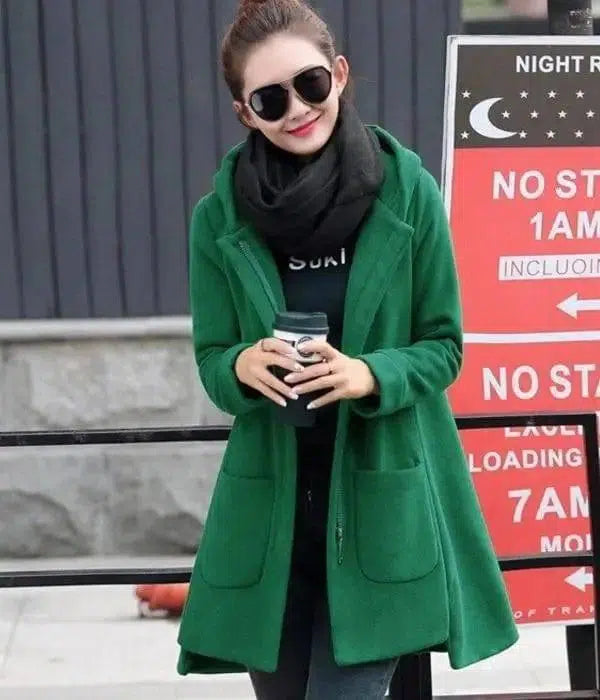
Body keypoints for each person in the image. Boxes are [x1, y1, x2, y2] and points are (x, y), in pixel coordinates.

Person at [176, 0, 519, 697]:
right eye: (270, 100)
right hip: (271, 517)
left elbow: (444, 346)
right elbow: (212, 359)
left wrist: (368, 374)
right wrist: (240, 364)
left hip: (380, 508)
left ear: (338, 73)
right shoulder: (219, 218)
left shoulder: (407, 192)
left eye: (310, 84)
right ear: (245, 113)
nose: (298, 110)